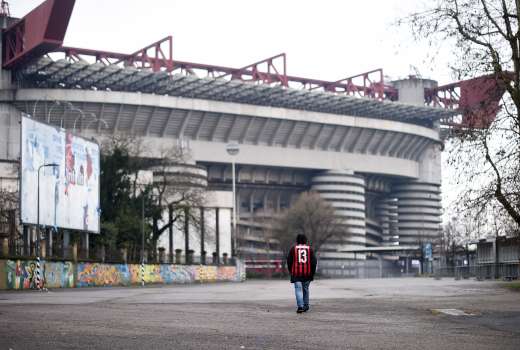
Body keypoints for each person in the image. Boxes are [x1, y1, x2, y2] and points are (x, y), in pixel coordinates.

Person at [286, 234, 317, 313]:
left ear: (297, 240)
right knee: (305, 289)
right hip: (307, 273)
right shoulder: (310, 249)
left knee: (298, 290)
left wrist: (291, 271)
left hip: (296, 274)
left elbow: (289, 261)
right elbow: (314, 262)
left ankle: (300, 306)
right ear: (305, 240)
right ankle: (306, 306)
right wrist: (312, 273)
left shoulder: (293, 249)